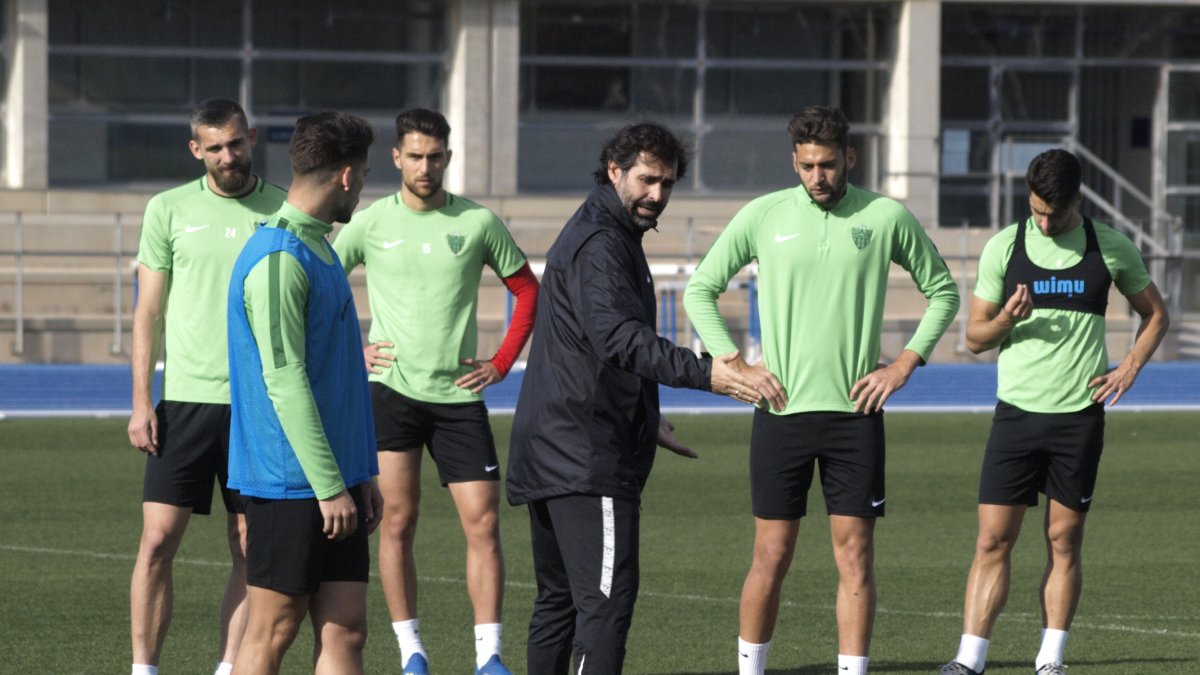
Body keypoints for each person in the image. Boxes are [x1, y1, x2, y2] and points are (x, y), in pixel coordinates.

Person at [682, 105, 961, 675]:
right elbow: (701, 289)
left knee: (855, 556)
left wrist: (903, 365)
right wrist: (734, 362)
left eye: (828, 165)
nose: (817, 177)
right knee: (771, 555)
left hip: (855, 417)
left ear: (849, 158)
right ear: (794, 161)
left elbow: (944, 293)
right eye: (807, 165)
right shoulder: (764, 215)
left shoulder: (885, 217)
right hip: (780, 413)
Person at [506, 121, 786, 675]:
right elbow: (618, 338)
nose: (656, 194)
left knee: (558, 605)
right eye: (646, 179)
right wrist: (713, 374)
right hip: (585, 457)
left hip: (555, 443)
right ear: (614, 172)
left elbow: (581, 344)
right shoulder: (603, 241)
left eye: (667, 183)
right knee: (603, 610)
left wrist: (642, 414)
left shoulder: (599, 232)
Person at [938, 149, 1169, 675]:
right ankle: (969, 660)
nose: (1044, 221)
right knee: (993, 539)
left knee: (1064, 540)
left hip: (1078, 420)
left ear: (1078, 201)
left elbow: (1155, 314)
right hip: (1016, 417)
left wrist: (1130, 365)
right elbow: (973, 338)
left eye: (1054, 213)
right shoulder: (1005, 247)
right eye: (1037, 210)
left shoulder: (1109, 247)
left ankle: (1051, 660)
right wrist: (1004, 322)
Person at [332, 108, 538, 675]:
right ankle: (411, 653)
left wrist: (500, 362)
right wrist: (353, 347)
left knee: (485, 523)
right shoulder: (371, 223)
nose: (426, 166)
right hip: (390, 394)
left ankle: (490, 655)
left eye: (436, 156)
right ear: (397, 158)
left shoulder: (477, 222)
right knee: (396, 521)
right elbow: (320, 279)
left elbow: (527, 290)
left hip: (459, 400)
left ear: (448, 157)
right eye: (415, 156)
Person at [127, 98, 286, 675]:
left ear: (252, 139)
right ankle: (144, 669)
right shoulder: (166, 209)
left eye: (236, 143)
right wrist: (143, 401)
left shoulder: (285, 209)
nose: (228, 156)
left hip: (259, 406)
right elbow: (148, 312)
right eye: (214, 147)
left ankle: (227, 667)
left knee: (247, 545)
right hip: (187, 402)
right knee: (156, 543)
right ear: (196, 150)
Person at [225, 111, 382, 675]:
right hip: (290, 483)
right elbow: (286, 383)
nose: (362, 189)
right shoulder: (277, 259)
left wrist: (359, 475)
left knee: (348, 630)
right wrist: (328, 487)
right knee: (273, 630)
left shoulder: (321, 249)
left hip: (336, 479)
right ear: (344, 176)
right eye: (363, 176)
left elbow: (336, 378)